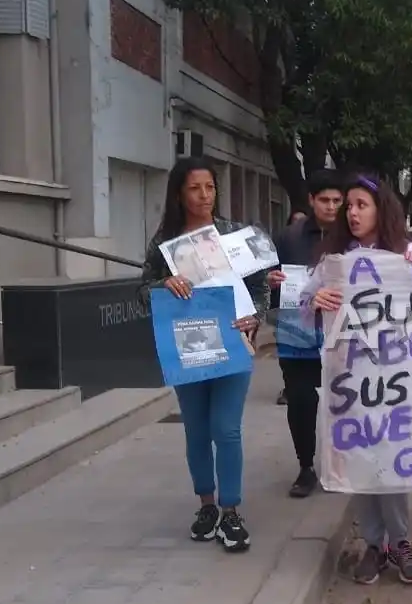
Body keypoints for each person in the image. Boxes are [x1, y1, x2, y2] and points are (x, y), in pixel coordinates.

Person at [139, 156, 269, 552]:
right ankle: (207, 506)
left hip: (232, 342)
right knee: (196, 430)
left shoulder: (233, 235)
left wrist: (255, 316)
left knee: (226, 429)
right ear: (179, 194)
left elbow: (261, 286)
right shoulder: (165, 242)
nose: (204, 195)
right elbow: (142, 291)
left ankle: (231, 511)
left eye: (210, 187)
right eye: (195, 188)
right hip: (189, 346)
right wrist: (164, 284)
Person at [309, 175, 412, 585]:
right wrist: (315, 300)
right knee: (360, 459)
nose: (353, 213)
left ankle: (400, 540)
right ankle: (374, 544)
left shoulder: (404, 255)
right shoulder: (334, 261)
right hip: (350, 379)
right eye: (350, 206)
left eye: (362, 205)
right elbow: (304, 301)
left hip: (395, 380)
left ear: (381, 210)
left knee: (389, 457)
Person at [268, 172, 344, 496]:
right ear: (311, 200)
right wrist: (271, 281)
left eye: (337, 200)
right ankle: (305, 467)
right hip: (296, 336)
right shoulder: (289, 237)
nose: (331, 206)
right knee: (300, 401)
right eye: (324, 200)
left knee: (344, 402)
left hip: (342, 337)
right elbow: (266, 281)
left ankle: (341, 465)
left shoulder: (354, 235)